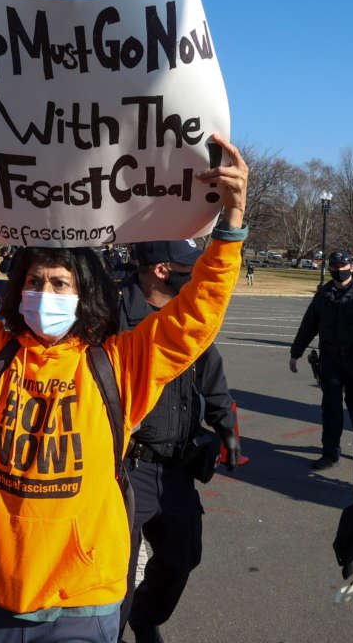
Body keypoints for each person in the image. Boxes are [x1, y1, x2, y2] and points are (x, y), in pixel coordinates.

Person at [0, 125, 248, 642]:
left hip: (85, 599)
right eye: (34, 282)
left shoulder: (118, 365)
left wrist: (231, 224)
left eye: (60, 283)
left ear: (85, 296)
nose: (45, 293)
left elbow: (196, 315)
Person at [117, 239, 241, 643]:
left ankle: (144, 615)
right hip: (126, 468)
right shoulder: (112, 314)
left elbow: (212, 375)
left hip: (176, 467)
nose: (195, 274)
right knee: (115, 566)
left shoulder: (188, 317)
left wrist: (227, 428)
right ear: (160, 270)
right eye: (187, 266)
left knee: (182, 557)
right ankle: (109, 630)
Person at [289, 251, 353, 470]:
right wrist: (295, 352)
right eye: (334, 266)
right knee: (331, 410)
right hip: (331, 362)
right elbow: (308, 325)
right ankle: (330, 453)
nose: (338, 270)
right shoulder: (324, 294)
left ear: (352, 268)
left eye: (342, 265)